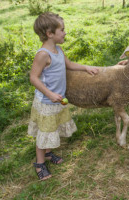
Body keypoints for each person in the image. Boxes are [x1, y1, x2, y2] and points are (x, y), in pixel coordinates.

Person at [28, 12, 99, 180]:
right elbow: (33, 77)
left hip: (56, 101)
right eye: (62, 29)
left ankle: (47, 153)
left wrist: (85, 67)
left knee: (52, 128)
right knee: (44, 132)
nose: (65, 32)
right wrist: (50, 93)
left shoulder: (58, 49)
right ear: (50, 33)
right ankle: (39, 163)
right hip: (46, 101)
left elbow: (69, 65)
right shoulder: (43, 54)